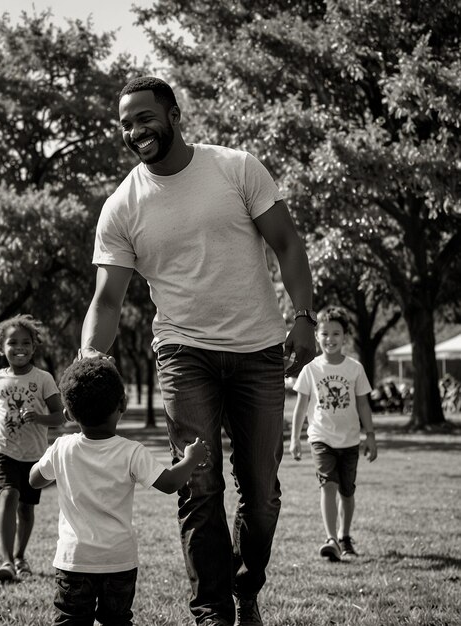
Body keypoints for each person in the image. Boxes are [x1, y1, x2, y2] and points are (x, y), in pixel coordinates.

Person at [79, 76, 317, 626]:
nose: (134, 130)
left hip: (260, 349)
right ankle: (210, 610)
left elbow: (287, 243)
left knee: (261, 496)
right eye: (125, 123)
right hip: (183, 352)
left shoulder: (235, 168)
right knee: (199, 483)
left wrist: (303, 318)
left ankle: (245, 586)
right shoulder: (122, 206)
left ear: (174, 114)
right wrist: (90, 358)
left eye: (144, 117)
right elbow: (108, 299)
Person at [29, 358, 209, 626]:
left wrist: (53, 461)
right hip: (119, 560)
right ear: (122, 405)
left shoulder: (62, 448)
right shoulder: (130, 451)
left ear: (68, 414)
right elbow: (170, 483)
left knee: (69, 620)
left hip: (74, 560)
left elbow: (34, 480)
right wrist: (191, 459)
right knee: (117, 620)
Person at [0, 314, 64, 583]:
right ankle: (6, 562)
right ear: (1, 347)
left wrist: (38, 417)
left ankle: (20, 555)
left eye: (26, 342)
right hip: (4, 450)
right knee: (8, 494)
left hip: (35, 454)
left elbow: (60, 416)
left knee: (25, 508)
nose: (19, 347)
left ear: (34, 347)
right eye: (12, 342)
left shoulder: (43, 378)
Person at [289, 306, 378, 562]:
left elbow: (363, 404)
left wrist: (369, 435)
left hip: (350, 440)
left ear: (345, 337)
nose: (330, 339)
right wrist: (295, 438)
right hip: (321, 438)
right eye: (325, 333)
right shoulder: (311, 369)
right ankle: (330, 539)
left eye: (336, 333)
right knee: (328, 484)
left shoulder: (355, 369)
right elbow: (301, 406)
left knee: (347, 492)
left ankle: (344, 536)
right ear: (317, 336)